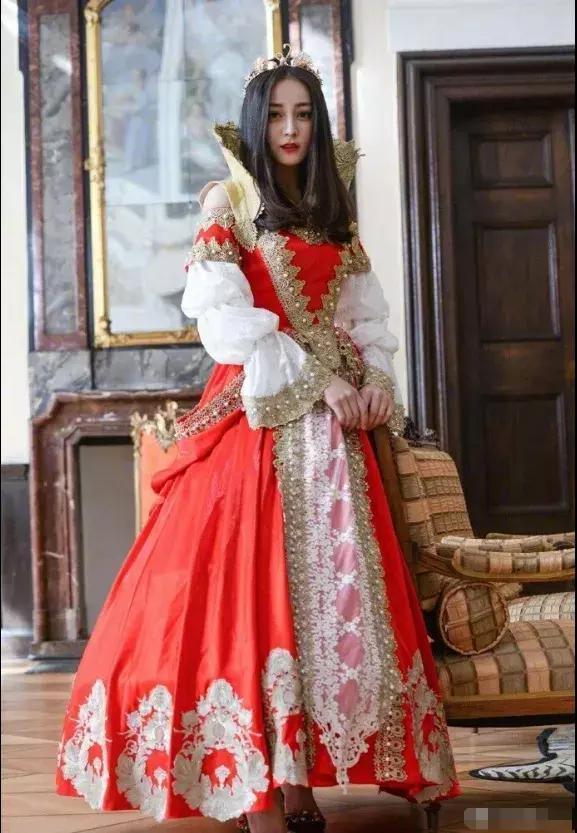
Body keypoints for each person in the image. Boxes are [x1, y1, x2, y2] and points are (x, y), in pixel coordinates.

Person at [55, 44, 459, 833]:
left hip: (339, 442)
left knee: (329, 607)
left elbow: (365, 316)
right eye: (276, 114)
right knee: (257, 602)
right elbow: (224, 321)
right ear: (254, 122)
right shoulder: (229, 200)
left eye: (303, 114)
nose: (290, 128)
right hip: (260, 421)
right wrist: (321, 381)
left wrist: (376, 380)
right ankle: (257, 791)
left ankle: (299, 782)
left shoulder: (332, 210)